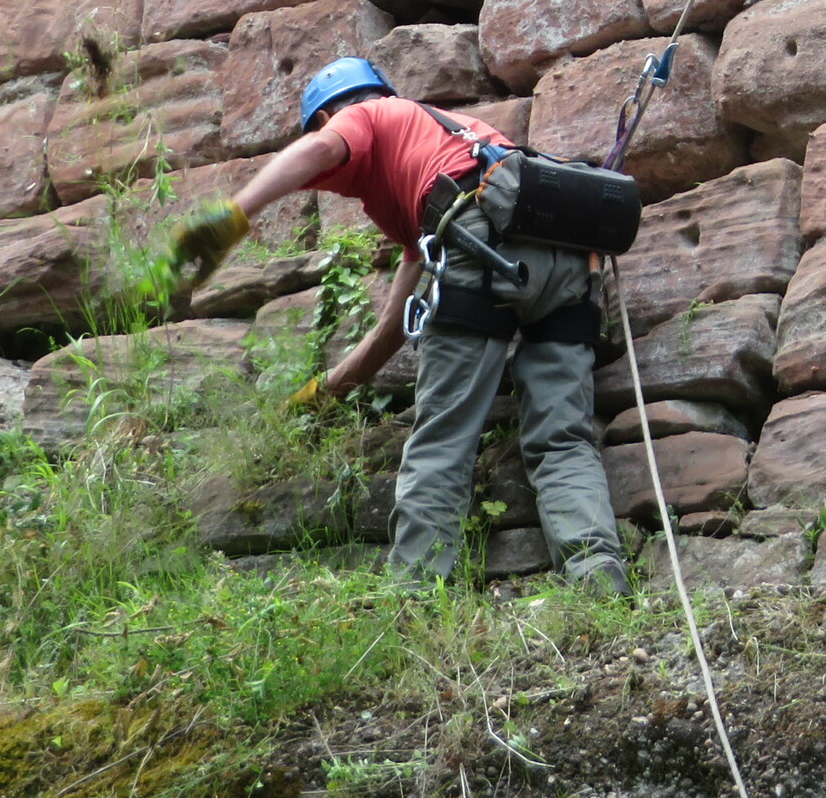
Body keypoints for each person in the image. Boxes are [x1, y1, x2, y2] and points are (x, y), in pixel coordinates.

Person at [170, 57, 628, 592]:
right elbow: (395, 324)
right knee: (563, 439)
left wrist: (234, 215)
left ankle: (413, 591)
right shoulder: (444, 153)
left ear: (329, 117)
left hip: (484, 246)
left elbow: (323, 149)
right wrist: (328, 389)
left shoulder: (372, 114)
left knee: (444, 437)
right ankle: (598, 574)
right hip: (567, 260)